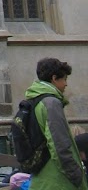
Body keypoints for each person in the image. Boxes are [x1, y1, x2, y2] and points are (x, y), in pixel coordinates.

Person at [25, 57, 87, 190]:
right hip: (57, 180)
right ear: (54, 78)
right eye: (64, 79)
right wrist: (76, 175)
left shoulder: (34, 99)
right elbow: (59, 144)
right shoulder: (51, 103)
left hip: (41, 177)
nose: (66, 84)